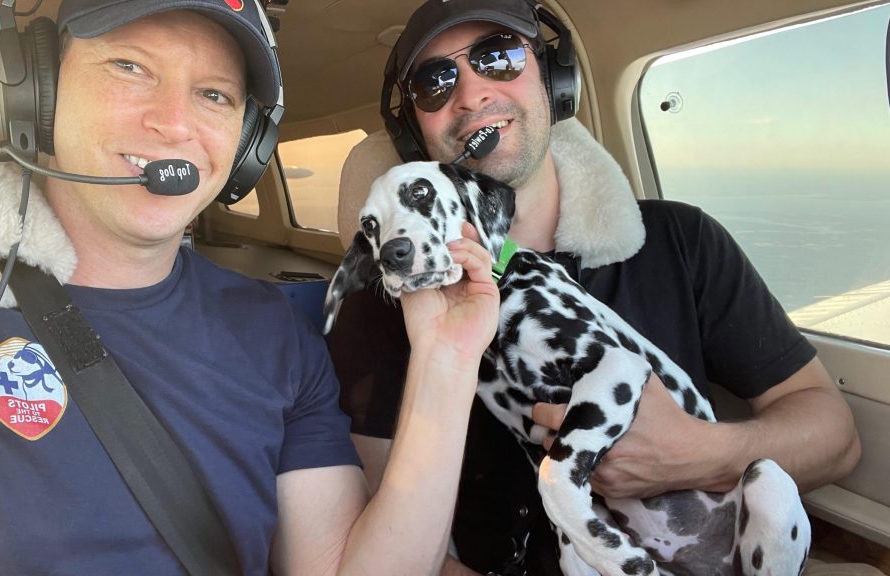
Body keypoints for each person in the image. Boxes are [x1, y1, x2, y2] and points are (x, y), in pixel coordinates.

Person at [0, 0, 500, 574]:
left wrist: (446, 361)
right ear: (41, 93)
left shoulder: (275, 333)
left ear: (249, 145)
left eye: (215, 95)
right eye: (129, 67)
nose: (173, 123)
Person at [326, 0, 864, 574]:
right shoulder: (378, 311)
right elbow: (385, 542)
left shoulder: (682, 240)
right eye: (435, 82)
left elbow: (836, 438)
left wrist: (694, 456)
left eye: (499, 57)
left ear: (556, 79)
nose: (471, 94)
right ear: (415, 132)